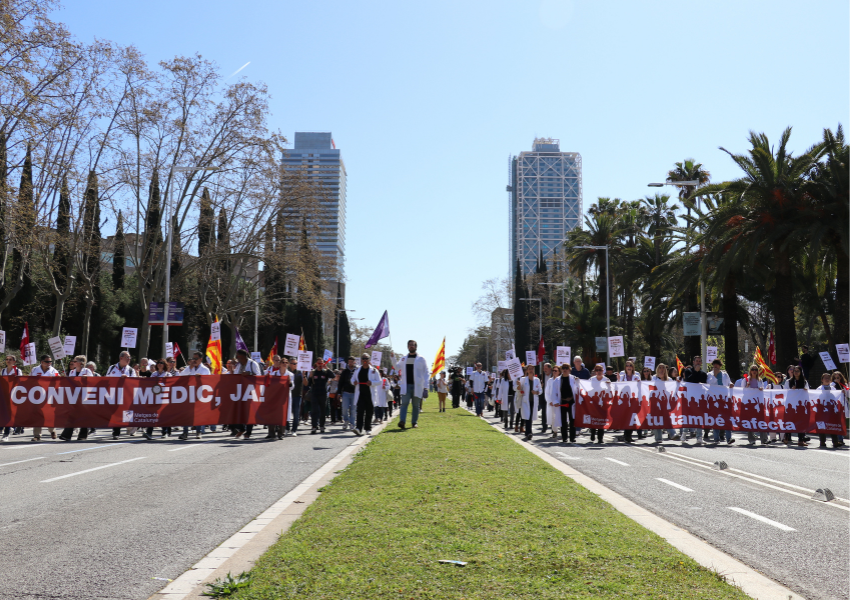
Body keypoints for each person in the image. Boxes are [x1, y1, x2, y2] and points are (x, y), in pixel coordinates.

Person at [58, 356, 94, 441]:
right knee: (72, 415)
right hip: (74, 396)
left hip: (84, 396)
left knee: (84, 416)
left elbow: (92, 383)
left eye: (75, 361)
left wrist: (87, 379)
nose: (73, 362)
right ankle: (66, 435)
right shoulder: (72, 372)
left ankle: (82, 435)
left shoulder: (87, 371)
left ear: (80, 363)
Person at [395, 340, 429, 430]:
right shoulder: (403, 358)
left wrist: (426, 387)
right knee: (404, 404)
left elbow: (426, 372)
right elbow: (397, 367)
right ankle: (402, 421)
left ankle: (414, 422)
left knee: (415, 405)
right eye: (409, 345)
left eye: (413, 345)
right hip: (406, 385)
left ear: (416, 347)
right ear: (407, 347)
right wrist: (392, 358)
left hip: (417, 386)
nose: (411, 346)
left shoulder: (421, 359)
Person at [231, 349, 262, 439]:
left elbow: (259, 376)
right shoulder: (239, 365)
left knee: (249, 412)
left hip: (250, 391)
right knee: (237, 410)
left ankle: (248, 432)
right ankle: (241, 428)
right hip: (240, 391)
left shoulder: (253, 364)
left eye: (238, 356)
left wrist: (250, 373)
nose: (237, 358)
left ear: (243, 356)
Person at [30, 354, 60, 441]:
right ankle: (37, 435)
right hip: (36, 396)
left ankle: (52, 430)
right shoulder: (35, 370)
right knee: (37, 415)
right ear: (42, 362)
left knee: (48, 415)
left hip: (49, 396)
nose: (49, 363)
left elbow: (59, 382)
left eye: (50, 361)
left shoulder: (53, 371)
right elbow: (29, 381)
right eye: (47, 361)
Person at [705, 359, 734, 445]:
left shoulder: (725, 374)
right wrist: (715, 375)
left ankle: (729, 438)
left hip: (724, 399)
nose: (716, 366)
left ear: (720, 366)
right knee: (716, 418)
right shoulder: (709, 375)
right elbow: (709, 383)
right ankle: (716, 438)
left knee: (727, 418)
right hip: (714, 399)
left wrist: (731, 384)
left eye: (717, 365)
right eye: (714, 365)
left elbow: (728, 382)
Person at [353, 353, 381, 435]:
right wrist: (353, 382)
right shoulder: (357, 370)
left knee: (369, 412)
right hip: (360, 394)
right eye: (363, 358)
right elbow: (352, 379)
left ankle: (368, 428)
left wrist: (371, 382)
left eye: (367, 358)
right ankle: (358, 428)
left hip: (370, 394)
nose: (365, 360)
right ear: (361, 360)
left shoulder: (374, 370)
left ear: (369, 360)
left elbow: (379, 381)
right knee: (360, 412)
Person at [682, 355, 707, 445]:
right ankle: (684, 433)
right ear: (693, 362)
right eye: (697, 361)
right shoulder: (688, 371)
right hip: (689, 398)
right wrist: (695, 372)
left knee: (699, 417)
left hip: (699, 399)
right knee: (688, 416)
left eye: (700, 361)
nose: (698, 363)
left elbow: (703, 383)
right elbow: (688, 380)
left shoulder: (703, 374)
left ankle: (699, 437)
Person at [652, 364, 679, 443]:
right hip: (656, 402)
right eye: (659, 367)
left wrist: (677, 383)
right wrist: (660, 379)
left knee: (667, 418)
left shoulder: (669, 379)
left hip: (665, 402)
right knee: (657, 419)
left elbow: (673, 389)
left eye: (663, 368)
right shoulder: (654, 378)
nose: (661, 369)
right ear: (657, 370)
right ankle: (658, 438)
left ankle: (672, 434)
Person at [784, 365, 809, 447]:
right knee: (790, 420)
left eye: (798, 371)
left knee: (801, 422)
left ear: (801, 372)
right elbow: (785, 391)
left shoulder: (804, 382)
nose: (796, 372)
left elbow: (808, 391)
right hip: (791, 405)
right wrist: (791, 390)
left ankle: (801, 439)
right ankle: (786, 437)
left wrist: (806, 390)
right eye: (795, 371)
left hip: (801, 406)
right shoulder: (788, 381)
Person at [309, 358, 334, 434]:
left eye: (322, 363)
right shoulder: (313, 373)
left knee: (323, 411)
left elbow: (333, 376)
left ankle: (322, 426)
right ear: (316, 364)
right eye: (319, 363)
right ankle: (314, 426)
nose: (320, 365)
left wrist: (327, 368)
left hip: (323, 394)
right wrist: (310, 377)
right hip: (314, 394)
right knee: (314, 411)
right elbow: (309, 383)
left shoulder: (325, 372)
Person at [586, 364, 610, 444]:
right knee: (594, 420)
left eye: (600, 370)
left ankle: (600, 438)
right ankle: (592, 433)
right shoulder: (591, 379)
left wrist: (609, 385)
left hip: (603, 404)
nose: (599, 372)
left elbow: (610, 391)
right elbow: (586, 388)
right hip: (594, 403)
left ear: (603, 371)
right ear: (595, 372)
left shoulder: (606, 379)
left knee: (602, 421)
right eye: (597, 370)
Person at [517, 364, 542, 441]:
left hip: (533, 401)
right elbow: (518, 389)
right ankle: (529, 433)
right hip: (525, 401)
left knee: (530, 417)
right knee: (527, 417)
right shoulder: (523, 379)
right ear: (527, 370)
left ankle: (528, 432)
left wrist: (536, 392)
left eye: (532, 369)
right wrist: (519, 386)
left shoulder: (537, 380)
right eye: (529, 369)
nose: (531, 370)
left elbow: (541, 391)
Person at [619, 360, 640, 442]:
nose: (629, 367)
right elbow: (618, 387)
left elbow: (639, 387)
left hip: (633, 399)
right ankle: (626, 434)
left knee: (632, 417)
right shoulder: (621, 377)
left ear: (632, 367)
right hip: (625, 400)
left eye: (630, 365)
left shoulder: (636, 377)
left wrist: (639, 383)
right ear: (625, 367)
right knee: (626, 417)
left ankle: (628, 435)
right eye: (627, 365)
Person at [559, 363, 578, 443]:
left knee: (572, 419)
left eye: (566, 368)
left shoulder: (574, 379)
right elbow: (555, 392)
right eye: (563, 368)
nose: (565, 369)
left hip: (571, 401)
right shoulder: (558, 380)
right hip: (562, 402)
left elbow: (577, 389)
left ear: (570, 369)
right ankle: (564, 437)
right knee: (563, 420)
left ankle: (572, 437)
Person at [339, 357, 357, 431]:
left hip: (354, 393)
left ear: (354, 362)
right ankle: (346, 420)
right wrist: (339, 392)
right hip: (346, 392)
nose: (350, 363)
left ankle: (352, 423)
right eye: (349, 362)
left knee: (353, 409)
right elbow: (340, 382)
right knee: (344, 408)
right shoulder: (345, 371)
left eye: (352, 362)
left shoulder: (357, 371)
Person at [545, 365, 562, 439]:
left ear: (559, 372)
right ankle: (555, 431)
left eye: (556, 371)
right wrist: (550, 401)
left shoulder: (561, 380)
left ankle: (562, 430)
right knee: (553, 417)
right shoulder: (550, 380)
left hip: (559, 402)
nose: (554, 372)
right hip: (552, 403)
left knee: (561, 417)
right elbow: (547, 392)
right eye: (553, 371)